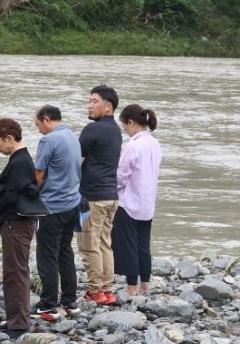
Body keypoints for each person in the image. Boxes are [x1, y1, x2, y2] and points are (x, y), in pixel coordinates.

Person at [0, 119, 43, 340]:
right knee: (17, 270)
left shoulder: (19, 161)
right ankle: (16, 318)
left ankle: (18, 323)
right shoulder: (22, 159)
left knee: (15, 272)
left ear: (9, 138)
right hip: (19, 223)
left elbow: (11, 196)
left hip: (16, 223)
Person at [32, 105, 83, 322]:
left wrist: (26, 195)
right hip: (72, 203)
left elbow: (38, 174)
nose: (38, 130)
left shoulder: (49, 140)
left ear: (46, 119)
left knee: (47, 256)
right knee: (65, 252)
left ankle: (48, 305)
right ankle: (70, 302)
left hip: (52, 207)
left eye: (37, 125)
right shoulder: (72, 136)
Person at [78, 85, 123, 305]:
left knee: (88, 244)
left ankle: (94, 290)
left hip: (93, 196)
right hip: (111, 195)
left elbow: (77, 161)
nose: (90, 105)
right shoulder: (115, 129)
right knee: (105, 243)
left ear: (108, 106)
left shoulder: (92, 130)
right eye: (89, 100)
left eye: (94, 101)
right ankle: (107, 289)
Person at [113, 104, 162, 297]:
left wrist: (113, 188)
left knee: (127, 245)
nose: (124, 129)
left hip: (130, 202)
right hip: (148, 202)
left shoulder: (133, 145)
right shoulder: (154, 143)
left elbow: (121, 175)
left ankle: (132, 287)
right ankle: (146, 284)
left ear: (131, 122)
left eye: (124, 125)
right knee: (143, 245)